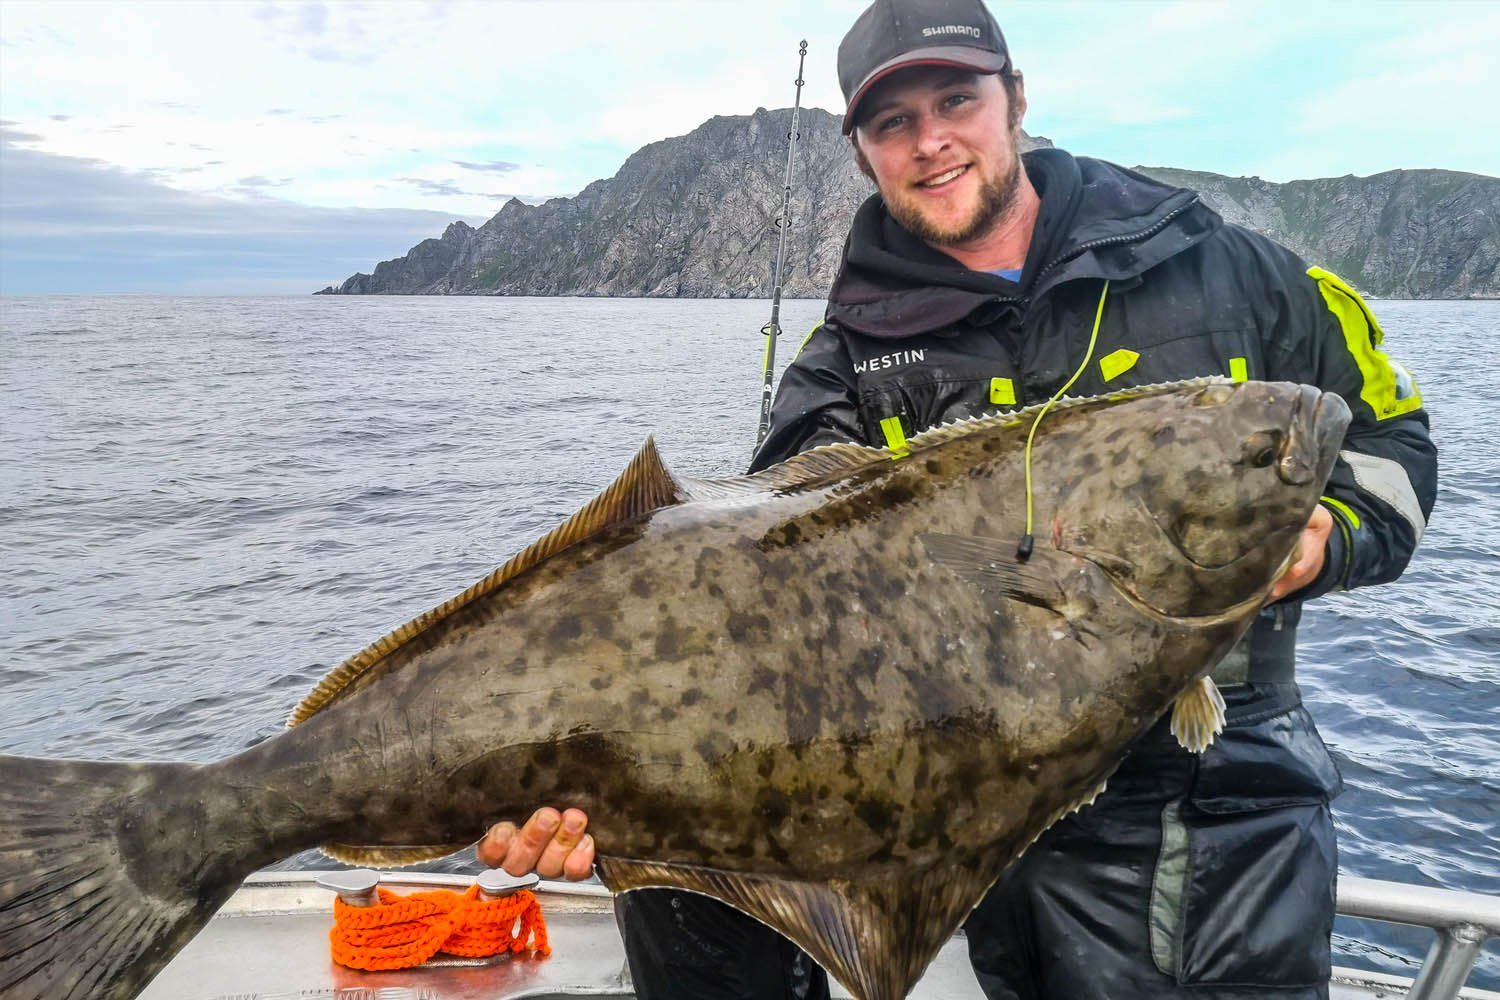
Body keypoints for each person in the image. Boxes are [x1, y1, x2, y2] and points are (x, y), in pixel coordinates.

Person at [477, 0, 1438, 996]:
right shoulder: (846, 363)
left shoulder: (1229, 265)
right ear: (863, 153)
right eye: (893, 122)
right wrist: (595, 774)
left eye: (956, 100)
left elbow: (1390, 442)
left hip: (1227, 803)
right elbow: (767, 613)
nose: (931, 140)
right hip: (1001, 826)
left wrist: (1326, 539)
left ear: (1015, 101)